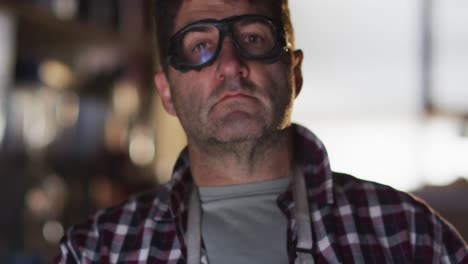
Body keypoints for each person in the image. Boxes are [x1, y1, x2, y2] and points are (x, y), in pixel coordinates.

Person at [56, 0, 468, 263]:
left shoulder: (410, 235)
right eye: (200, 45)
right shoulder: (96, 250)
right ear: (166, 92)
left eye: (253, 37)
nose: (231, 64)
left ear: (295, 73)